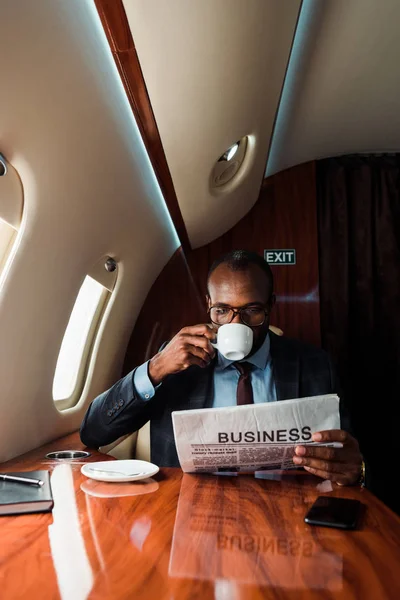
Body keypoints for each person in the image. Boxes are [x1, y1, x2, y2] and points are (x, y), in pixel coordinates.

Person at [80, 250, 363, 485]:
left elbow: (345, 459)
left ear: (270, 306)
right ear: (208, 305)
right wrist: (155, 368)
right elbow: (94, 432)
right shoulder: (177, 364)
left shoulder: (315, 365)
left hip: (286, 512)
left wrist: (355, 470)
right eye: (222, 310)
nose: (235, 324)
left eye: (252, 310)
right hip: (188, 510)